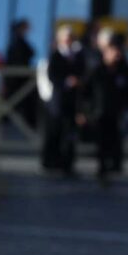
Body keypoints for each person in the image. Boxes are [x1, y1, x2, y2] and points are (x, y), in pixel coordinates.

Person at [81, 33, 128, 185]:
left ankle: (114, 165)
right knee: (102, 141)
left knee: (116, 139)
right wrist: (83, 112)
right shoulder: (97, 70)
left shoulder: (123, 71)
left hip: (117, 112)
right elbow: (85, 93)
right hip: (99, 111)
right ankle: (102, 168)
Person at [42, 26, 83, 175]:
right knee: (54, 131)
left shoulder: (78, 55)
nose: (68, 40)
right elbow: (51, 76)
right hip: (58, 99)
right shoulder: (55, 54)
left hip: (72, 101)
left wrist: (77, 81)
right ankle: (51, 162)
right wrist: (66, 82)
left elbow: (83, 72)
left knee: (70, 132)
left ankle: (68, 163)